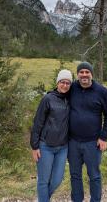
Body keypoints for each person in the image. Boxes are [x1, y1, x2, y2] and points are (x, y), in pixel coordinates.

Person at [68, 62, 107, 202]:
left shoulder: (102, 91)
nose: (84, 75)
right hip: (73, 142)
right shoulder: (72, 88)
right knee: (75, 175)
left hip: (92, 143)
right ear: (77, 75)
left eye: (86, 72)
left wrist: (103, 137)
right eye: (81, 72)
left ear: (91, 74)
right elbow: (59, 93)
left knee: (94, 175)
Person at [30, 69, 73, 202]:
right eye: (62, 82)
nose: (65, 85)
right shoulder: (48, 99)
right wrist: (34, 146)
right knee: (43, 180)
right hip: (45, 146)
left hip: (63, 147)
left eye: (68, 83)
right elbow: (37, 123)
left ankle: (43, 199)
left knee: (57, 180)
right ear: (57, 82)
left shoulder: (70, 99)